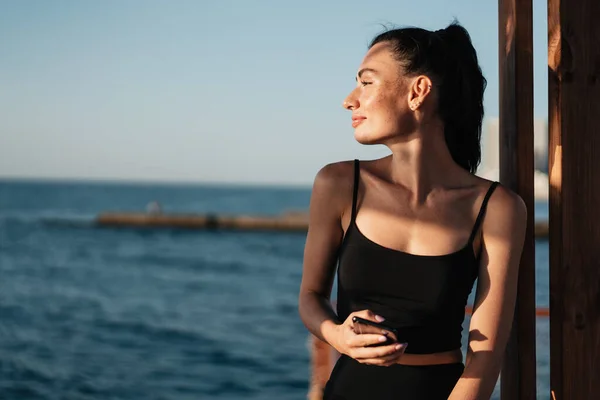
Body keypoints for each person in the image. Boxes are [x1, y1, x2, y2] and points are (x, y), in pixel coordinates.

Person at [298, 21, 527, 400]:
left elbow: (486, 355)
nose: (349, 99)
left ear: (418, 91)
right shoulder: (338, 184)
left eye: (367, 82)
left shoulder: (496, 208)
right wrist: (336, 333)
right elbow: (310, 295)